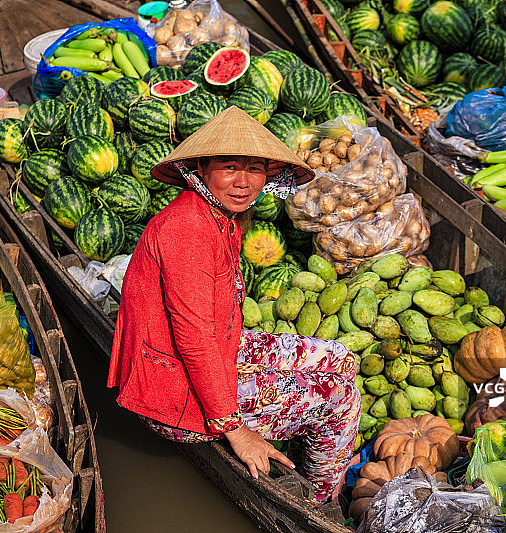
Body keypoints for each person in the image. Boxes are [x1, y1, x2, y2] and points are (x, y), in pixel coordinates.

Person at [107, 106, 361, 502]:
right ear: (202, 170)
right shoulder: (188, 228)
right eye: (228, 167)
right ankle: (318, 503)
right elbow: (194, 340)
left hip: (214, 352)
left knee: (341, 358)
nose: (244, 182)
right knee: (339, 397)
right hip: (173, 389)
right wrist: (237, 431)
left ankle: (303, 451)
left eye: (255, 169)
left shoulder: (220, 216)